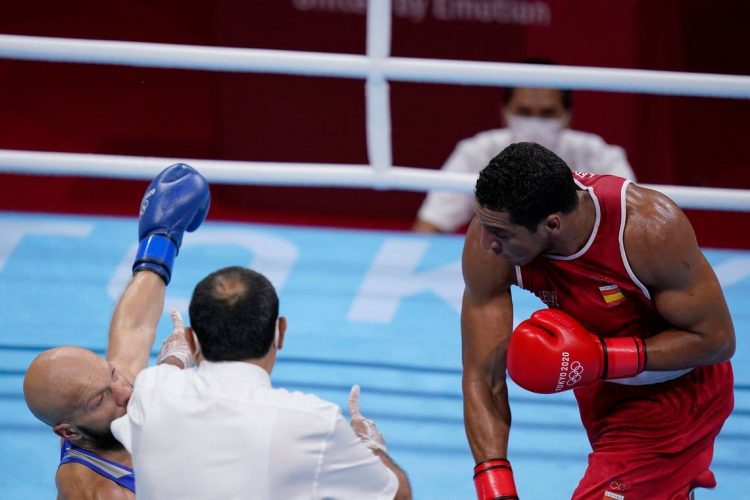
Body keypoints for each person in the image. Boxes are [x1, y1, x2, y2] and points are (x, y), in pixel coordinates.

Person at [462, 142, 734, 499]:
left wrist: (602, 355)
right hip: (600, 392)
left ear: (552, 224)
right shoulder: (496, 232)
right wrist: (495, 487)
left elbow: (716, 340)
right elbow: (483, 375)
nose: (485, 242)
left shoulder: (646, 229)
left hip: (679, 395)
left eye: (499, 234)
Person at [110, 265, 413, 500]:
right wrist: (370, 446)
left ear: (191, 339)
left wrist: (175, 358)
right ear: (280, 333)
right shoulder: (313, 420)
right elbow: (396, 494)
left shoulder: (152, 389)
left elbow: (155, 373)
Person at [22, 162, 211, 499]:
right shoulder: (100, 491)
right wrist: (172, 368)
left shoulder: (109, 394)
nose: (125, 390)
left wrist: (162, 238)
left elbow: (133, 327)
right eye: (100, 399)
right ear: (69, 432)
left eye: (112, 374)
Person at [414, 59, 636, 234]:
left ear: (567, 116)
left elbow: (633, 222)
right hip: (500, 263)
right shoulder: (477, 151)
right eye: (524, 112)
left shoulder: (598, 154)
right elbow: (430, 224)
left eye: (547, 113)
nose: (535, 123)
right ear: (504, 112)